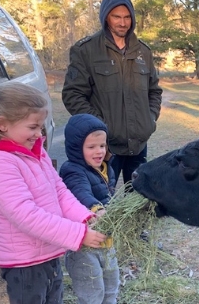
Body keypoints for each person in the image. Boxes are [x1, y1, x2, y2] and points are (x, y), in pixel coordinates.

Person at [0, 82, 106, 304]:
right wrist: (79, 234)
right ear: (3, 124)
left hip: (48, 252)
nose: (39, 134)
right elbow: (25, 215)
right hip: (24, 264)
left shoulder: (33, 152)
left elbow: (59, 191)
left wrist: (85, 217)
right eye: (33, 127)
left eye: (41, 126)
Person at [62, 0, 163, 185]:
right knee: (102, 203)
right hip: (105, 147)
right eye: (116, 16)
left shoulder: (144, 51)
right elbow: (72, 95)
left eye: (127, 17)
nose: (122, 22)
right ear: (106, 16)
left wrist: (149, 120)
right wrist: (98, 128)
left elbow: (154, 91)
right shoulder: (86, 50)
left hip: (139, 145)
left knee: (138, 202)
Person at [58, 114, 119, 304]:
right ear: (77, 149)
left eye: (102, 145)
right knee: (92, 293)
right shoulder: (73, 170)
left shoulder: (106, 167)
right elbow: (80, 192)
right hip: (84, 247)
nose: (99, 151)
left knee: (111, 286)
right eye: (91, 147)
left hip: (106, 242)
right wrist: (96, 208)